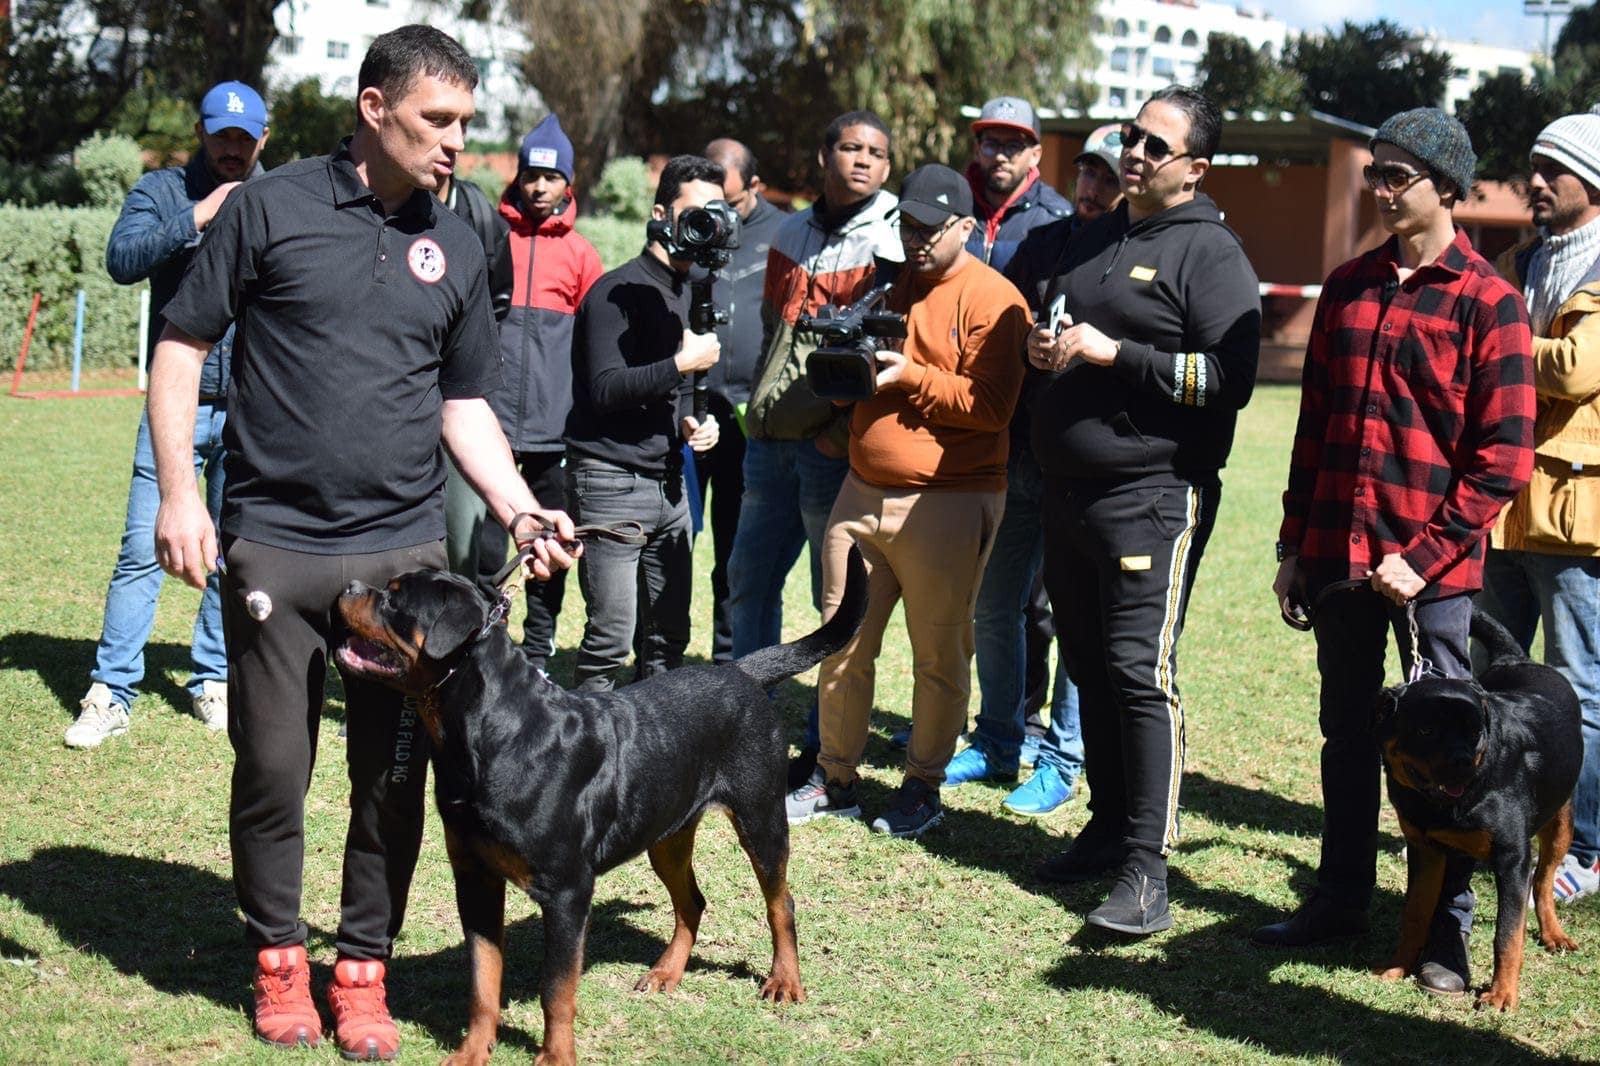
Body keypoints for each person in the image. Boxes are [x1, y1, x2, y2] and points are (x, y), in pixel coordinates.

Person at [149, 25, 576, 1059]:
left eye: (466, 121)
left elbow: (463, 402)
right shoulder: (269, 207)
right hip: (275, 544)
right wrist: (179, 495)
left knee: (393, 780)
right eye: (439, 119)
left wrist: (518, 506)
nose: (457, 141)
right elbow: (182, 343)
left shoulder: (461, 241)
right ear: (374, 108)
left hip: (401, 562)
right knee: (274, 768)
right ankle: (278, 961)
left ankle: (361, 973)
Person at [1253, 108, 1535, 998]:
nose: (1378, 188)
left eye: (1396, 175)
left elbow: (1505, 459)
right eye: (1374, 172)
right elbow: (1315, 427)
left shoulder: (1489, 300)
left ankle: (1448, 930)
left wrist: (1424, 555)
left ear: (1446, 188)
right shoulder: (1347, 287)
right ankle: (1340, 898)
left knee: (1448, 754)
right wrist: (1295, 543)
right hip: (1337, 555)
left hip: (1435, 577)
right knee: (1346, 735)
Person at [1024, 86, 1261, 935]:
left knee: (1137, 673)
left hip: (1152, 497)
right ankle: (1106, 828)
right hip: (1068, 495)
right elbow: (1065, 324)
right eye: (1132, 136)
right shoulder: (1100, 234)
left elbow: (1229, 379)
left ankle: (1146, 870)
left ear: (1196, 168)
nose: (1135, 152)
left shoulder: (1212, 252)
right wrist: (1043, 345)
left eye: (1156, 145)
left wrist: (1117, 353)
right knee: (1088, 668)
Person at [785, 164, 1029, 837]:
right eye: (909, 226)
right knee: (840, 640)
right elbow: (856, 383)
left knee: (939, 653)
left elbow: (992, 406)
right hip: (862, 490)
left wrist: (909, 375)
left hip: (948, 500)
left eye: (930, 228)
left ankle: (923, 786)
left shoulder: (995, 299)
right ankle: (835, 777)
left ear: (966, 227)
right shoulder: (890, 286)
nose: (916, 239)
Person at [65, 80, 271, 749]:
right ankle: (111, 690)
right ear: (201, 132)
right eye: (222, 136)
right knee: (141, 550)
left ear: (262, 139)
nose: (232, 148)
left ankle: (212, 677)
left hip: (252, 410)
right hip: (174, 407)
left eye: (244, 138)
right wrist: (199, 215)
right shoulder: (162, 191)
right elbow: (121, 260)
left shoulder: (278, 197)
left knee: (231, 555)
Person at [941, 115, 1120, 816]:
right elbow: (1000, 335)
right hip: (1022, 452)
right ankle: (996, 738)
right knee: (995, 603)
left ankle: (1062, 758)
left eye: (1108, 176)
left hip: (1092, 462)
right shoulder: (1041, 244)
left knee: (1075, 616)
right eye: (1088, 171)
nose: (1093, 186)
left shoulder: (1135, 253)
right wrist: (1028, 350)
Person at [729, 110, 903, 774]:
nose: (862, 160)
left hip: (829, 452)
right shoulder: (790, 231)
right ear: (824, 155)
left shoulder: (891, 238)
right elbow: (775, 332)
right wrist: (758, 411)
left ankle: (821, 731)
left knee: (831, 598)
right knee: (750, 582)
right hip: (769, 442)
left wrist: (838, 434)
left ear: (887, 167)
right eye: (850, 147)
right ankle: (744, 719)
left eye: (875, 153)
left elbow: (890, 350)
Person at [1481, 109, 1600, 904]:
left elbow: (1577, 370)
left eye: (1553, 169)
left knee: (1580, 690)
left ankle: (1582, 850)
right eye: (1534, 165)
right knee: (1491, 677)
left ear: (1592, 180)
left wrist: (1502, 340)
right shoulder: (1517, 259)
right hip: (1499, 508)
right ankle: (1493, 823)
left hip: (1575, 512)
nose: (1535, 181)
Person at [563, 154, 724, 691]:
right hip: (610, 481)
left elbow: (677, 394)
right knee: (610, 640)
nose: (707, 224)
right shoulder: (614, 291)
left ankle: (651, 739)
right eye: (696, 212)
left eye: (717, 213)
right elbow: (606, 388)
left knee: (667, 638)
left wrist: (694, 424)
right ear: (661, 214)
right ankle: (589, 738)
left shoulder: (692, 290)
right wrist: (681, 363)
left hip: (669, 483)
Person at [469, 113, 602, 671]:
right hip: (488, 427)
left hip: (553, 430)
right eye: (531, 176)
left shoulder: (582, 255)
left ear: (568, 183)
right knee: (483, 549)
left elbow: (594, 344)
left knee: (548, 544)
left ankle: (539, 647)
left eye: (551, 178)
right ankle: (483, 643)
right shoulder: (490, 239)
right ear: (518, 178)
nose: (540, 187)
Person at [692, 138, 785, 663]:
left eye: (729, 202)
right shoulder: (691, 225)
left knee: (736, 550)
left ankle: (729, 662)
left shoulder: (781, 234)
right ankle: (661, 656)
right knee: (670, 544)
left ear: (755, 186)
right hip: (689, 411)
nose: (719, 215)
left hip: (749, 417)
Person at [437, 141, 512, 594]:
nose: (453, 141)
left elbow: (498, 302)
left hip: (457, 399)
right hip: (387, 406)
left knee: (460, 546)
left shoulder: (479, 218)